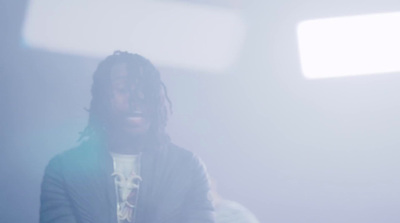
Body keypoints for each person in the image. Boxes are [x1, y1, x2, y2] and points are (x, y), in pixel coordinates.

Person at [39, 51, 214, 223]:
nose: (136, 99)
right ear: (102, 98)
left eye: (145, 90)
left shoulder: (189, 168)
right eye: (123, 89)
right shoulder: (63, 169)